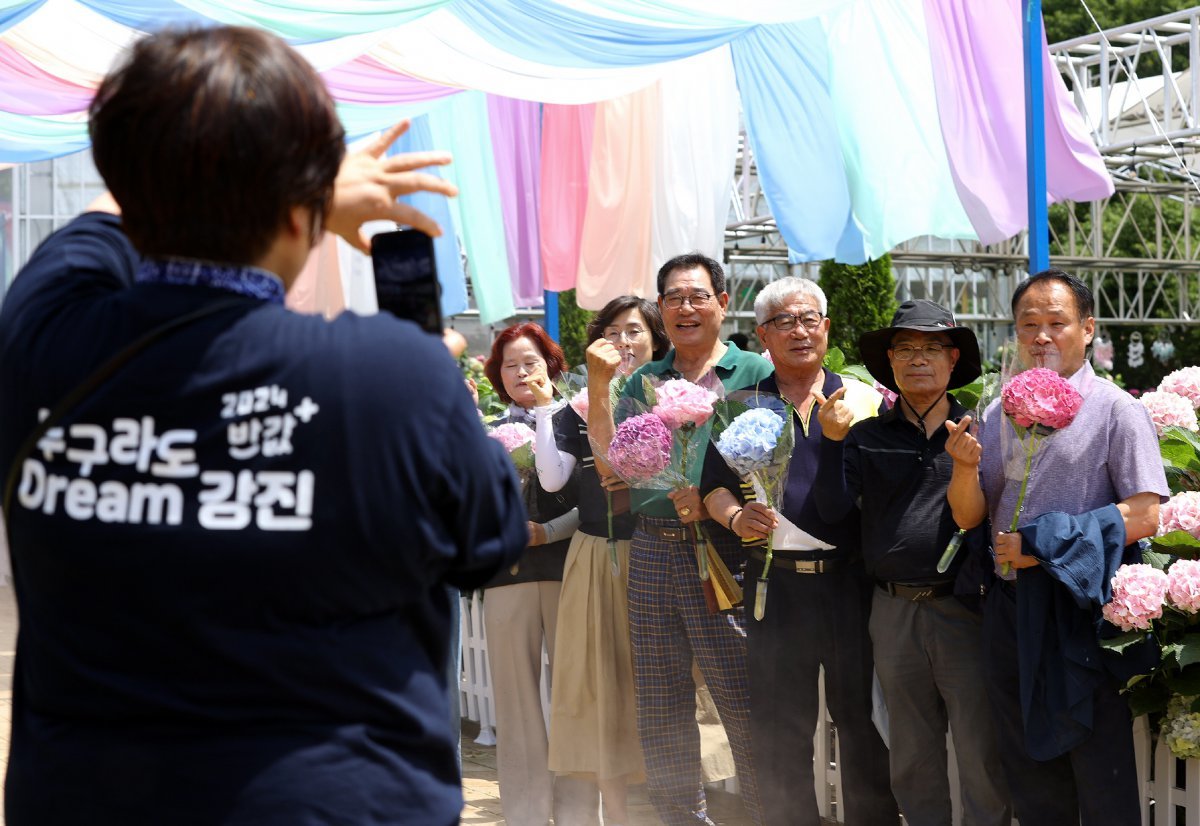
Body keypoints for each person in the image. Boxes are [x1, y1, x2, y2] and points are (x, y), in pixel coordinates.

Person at [0, 26, 528, 826]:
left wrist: (273, 181)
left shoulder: (41, 338)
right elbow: (487, 542)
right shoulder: (394, 374)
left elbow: (103, 226)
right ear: (301, 216)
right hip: (333, 800)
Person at [948, 269, 1168, 825]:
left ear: (1088, 329)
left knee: (1097, 766)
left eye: (1056, 323)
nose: (1041, 336)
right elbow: (974, 516)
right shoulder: (1000, 412)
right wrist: (964, 468)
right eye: (1029, 325)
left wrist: (1044, 546)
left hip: (1078, 614)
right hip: (1009, 611)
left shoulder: (1118, 409)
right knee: (1025, 762)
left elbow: (1145, 514)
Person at [699, 277, 897, 826]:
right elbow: (711, 485)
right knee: (782, 726)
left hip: (849, 585)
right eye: (784, 321)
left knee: (860, 722)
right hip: (775, 585)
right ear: (763, 335)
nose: (799, 330)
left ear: (827, 328)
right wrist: (735, 516)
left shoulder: (866, 401)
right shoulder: (738, 406)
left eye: (809, 319)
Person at [588, 252, 772, 826]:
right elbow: (613, 463)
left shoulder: (755, 374)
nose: (685, 308)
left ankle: (771, 813)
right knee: (661, 702)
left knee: (743, 700)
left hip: (727, 549)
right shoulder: (645, 379)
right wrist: (599, 385)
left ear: (722, 302)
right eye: (672, 298)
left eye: (697, 296)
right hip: (653, 546)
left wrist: (720, 505)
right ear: (660, 310)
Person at [814, 300, 1012, 826]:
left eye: (930, 349)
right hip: (892, 610)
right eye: (905, 349)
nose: (917, 359)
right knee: (911, 754)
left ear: (953, 361)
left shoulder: (980, 432)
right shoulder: (865, 436)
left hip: (965, 609)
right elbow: (833, 511)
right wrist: (832, 446)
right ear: (891, 363)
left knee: (979, 749)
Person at [526, 296, 668, 826]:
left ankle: (673, 802)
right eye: (612, 332)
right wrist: (547, 410)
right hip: (595, 553)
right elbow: (552, 479)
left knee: (659, 683)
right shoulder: (579, 407)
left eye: (635, 331)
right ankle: (618, 812)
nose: (624, 342)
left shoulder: (672, 399)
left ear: (657, 341)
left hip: (661, 546)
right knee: (602, 687)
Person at [481, 322, 592, 826]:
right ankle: (524, 814)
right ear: (498, 376)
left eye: (530, 361)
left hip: (570, 569)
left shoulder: (579, 418)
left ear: (551, 364)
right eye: (510, 365)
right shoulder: (483, 431)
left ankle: (577, 816)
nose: (521, 372)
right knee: (516, 703)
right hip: (508, 577)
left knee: (576, 699)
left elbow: (592, 502)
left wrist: (547, 532)